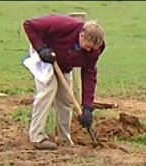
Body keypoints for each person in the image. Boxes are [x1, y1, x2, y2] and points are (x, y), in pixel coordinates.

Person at [23, 14, 106, 150]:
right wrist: (41, 49)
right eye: (88, 46)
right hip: (44, 53)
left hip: (65, 62)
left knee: (66, 98)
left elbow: (89, 74)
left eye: (92, 48)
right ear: (82, 35)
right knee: (48, 90)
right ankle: (37, 137)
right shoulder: (62, 24)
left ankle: (64, 138)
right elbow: (29, 25)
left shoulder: (94, 51)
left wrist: (87, 107)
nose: (89, 50)